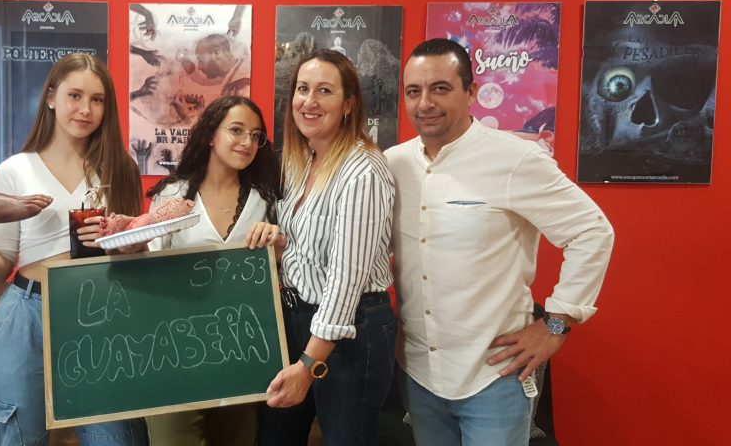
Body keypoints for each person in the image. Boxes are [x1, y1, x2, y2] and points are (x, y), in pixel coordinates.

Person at [383, 38, 614, 446]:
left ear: (471, 92)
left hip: (495, 377)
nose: (425, 103)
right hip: (418, 373)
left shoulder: (515, 159)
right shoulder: (393, 163)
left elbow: (592, 231)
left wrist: (556, 325)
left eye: (440, 88)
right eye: (414, 91)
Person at [0, 53, 147, 446]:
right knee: (18, 435)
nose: (85, 109)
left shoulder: (121, 168)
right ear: (51, 97)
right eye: (74, 96)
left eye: (97, 100)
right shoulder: (16, 169)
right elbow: (1, 266)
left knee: (117, 436)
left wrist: (128, 243)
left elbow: (132, 254)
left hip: (100, 311)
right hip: (26, 315)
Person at [257, 49, 396, 446]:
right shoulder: (301, 161)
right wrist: (281, 246)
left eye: (324, 91)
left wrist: (307, 364)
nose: (309, 101)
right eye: (302, 89)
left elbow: (346, 280)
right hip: (299, 319)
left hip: (352, 330)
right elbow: (311, 252)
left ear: (348, 104)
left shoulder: (363, 170)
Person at [141, 95, 282, 446]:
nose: (247, 142)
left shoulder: (265, 200)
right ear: (209, 135)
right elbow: (147, 270)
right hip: (176, 357)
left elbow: (278, 274)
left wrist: (278, 244)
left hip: (241, 357)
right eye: (236, 130)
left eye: (256, 135)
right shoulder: (173, 195)